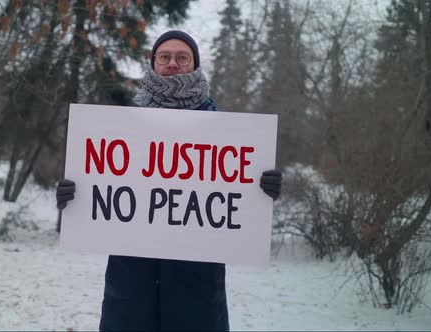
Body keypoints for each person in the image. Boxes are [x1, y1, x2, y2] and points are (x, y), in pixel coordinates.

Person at [56, 30, 282, 331]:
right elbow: (100, 184)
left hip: (197, 287)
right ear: (153, 64)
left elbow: (237, 199)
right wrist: (73, 194)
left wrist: (262, 187)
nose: (172, 63)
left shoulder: (224, 131)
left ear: (195, 65)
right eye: (164, 57)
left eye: (182, 57)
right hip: (130, 285)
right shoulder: (121, 126)